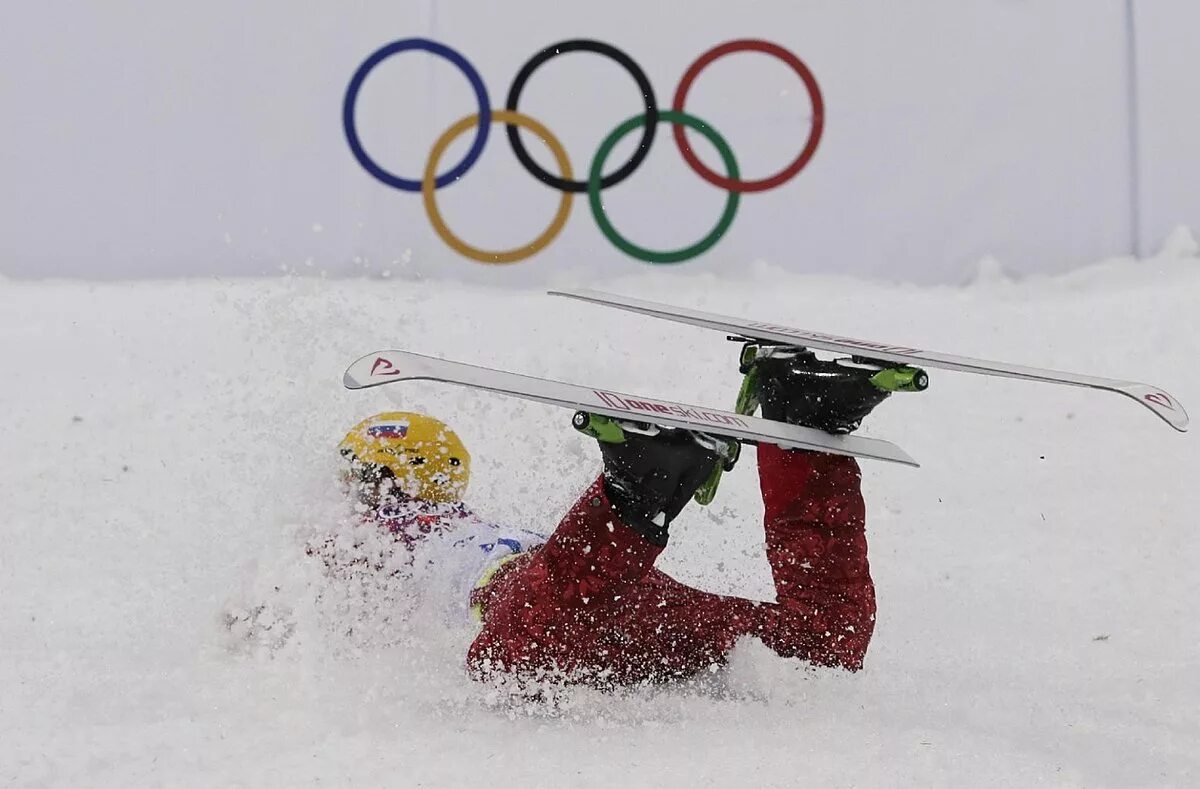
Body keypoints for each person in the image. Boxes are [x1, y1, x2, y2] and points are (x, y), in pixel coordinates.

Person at [336, 346, 892, 686]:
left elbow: (311, 591)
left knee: (506, 665)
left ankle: (632, 497)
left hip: (558, 593)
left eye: (356, 477)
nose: (347, 493)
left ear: (386, 478)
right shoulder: (470, 520)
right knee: (822, 644)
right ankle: (804, 423)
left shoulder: (369, 537)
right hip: (626, 590)